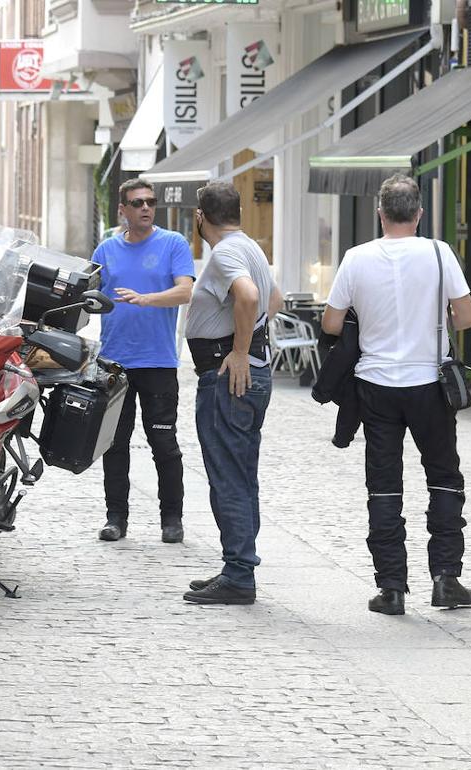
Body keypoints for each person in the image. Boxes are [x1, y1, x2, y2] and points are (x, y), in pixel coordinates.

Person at [321, 174, 471, 617]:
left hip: (376, 386)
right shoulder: (438, 252)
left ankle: (391, 588)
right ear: (419, 213)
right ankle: (446, 578)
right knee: (444, 476)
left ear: (380, 213)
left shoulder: (356, 258)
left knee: (384, 486)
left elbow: (332, 325)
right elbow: (466, 317)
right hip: (430, 384)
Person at [181, 181, 281, 606]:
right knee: (240, 474)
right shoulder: (250, 246)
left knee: (229, 477)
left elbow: (252, 296)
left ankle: (239, 574)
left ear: (200, 216)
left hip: (230, 375)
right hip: (247, 371)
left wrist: (239, 351)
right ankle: (236, 566)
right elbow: (273, 300)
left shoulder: (224, 252)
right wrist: (251, 340)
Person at [91, 178, 194, 544]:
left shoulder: (173, 244)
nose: (146, 208)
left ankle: (172, 519)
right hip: (114, 362)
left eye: (150, 201)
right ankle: (116, 518)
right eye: (137, 203)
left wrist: (146, 299)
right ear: (123, 209)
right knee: (113, 445)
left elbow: (186, 291)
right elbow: (87, 295)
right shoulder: (105, 250)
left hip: (158, 362)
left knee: (164, 443)